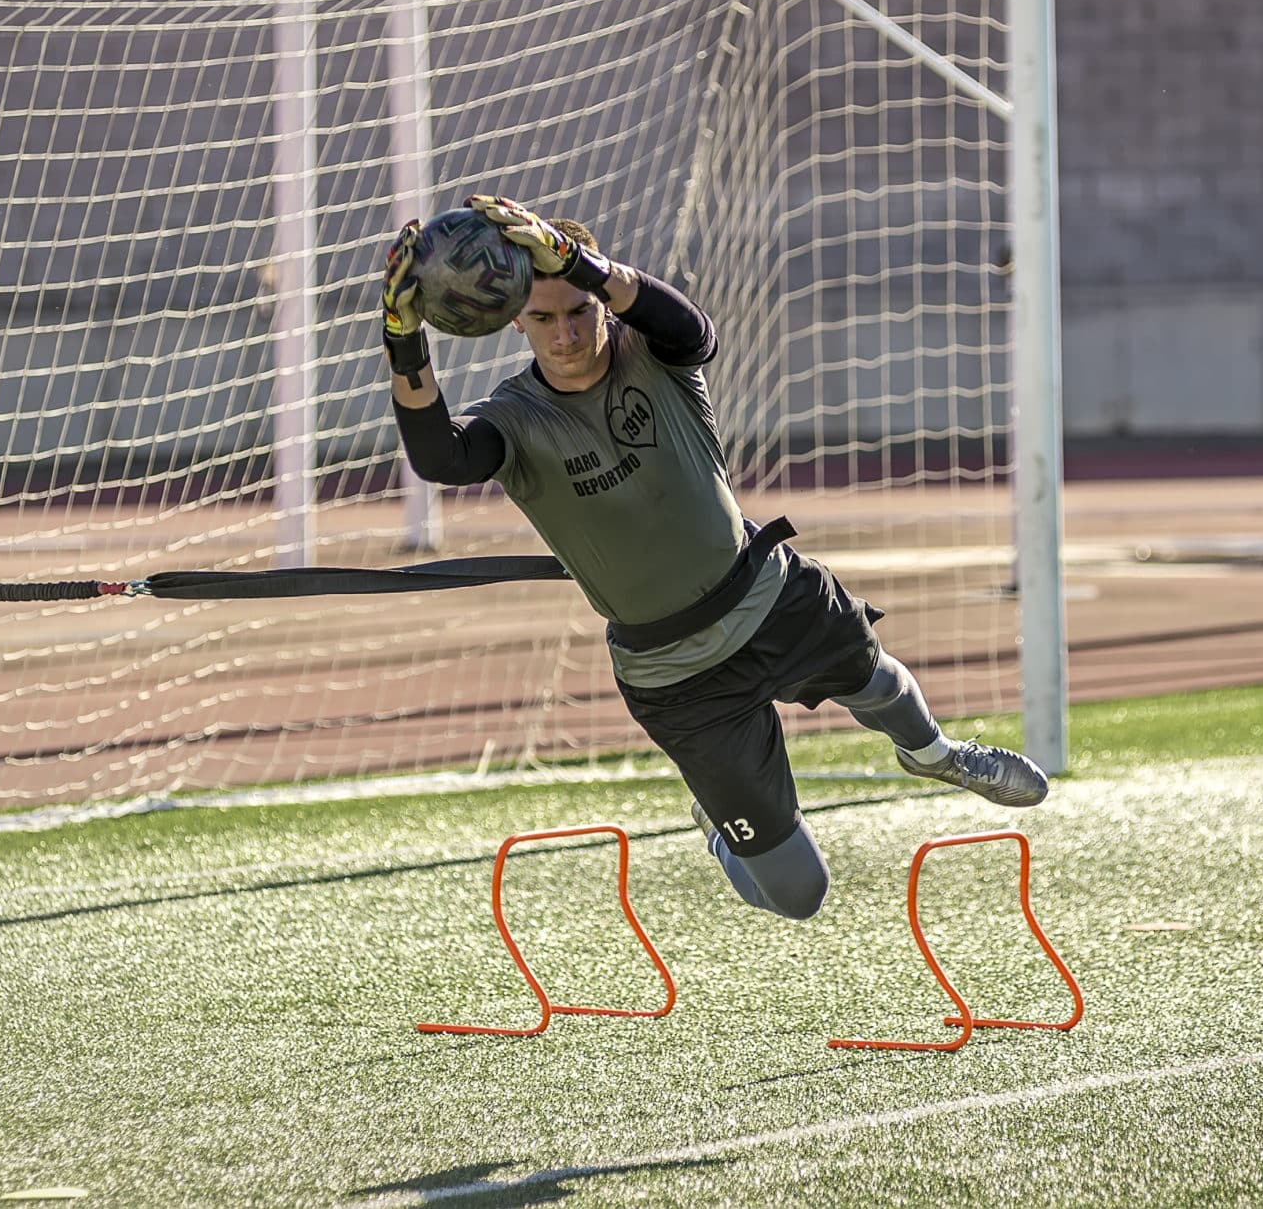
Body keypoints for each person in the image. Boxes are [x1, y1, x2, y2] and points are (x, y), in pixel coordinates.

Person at [381, 196, 1048, 921]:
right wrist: (402, 340)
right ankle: (719, 827)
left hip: (766, 594)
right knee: (800, 894)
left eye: (580, 309)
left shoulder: (656, 354)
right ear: (516, 320)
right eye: (544, 318)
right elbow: (441, 456)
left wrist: (578, 263)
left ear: (602, 300)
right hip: (675, 674)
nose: (567, 333)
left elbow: (690, 326)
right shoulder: (513, 416)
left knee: (875, 676)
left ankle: (935, 755)